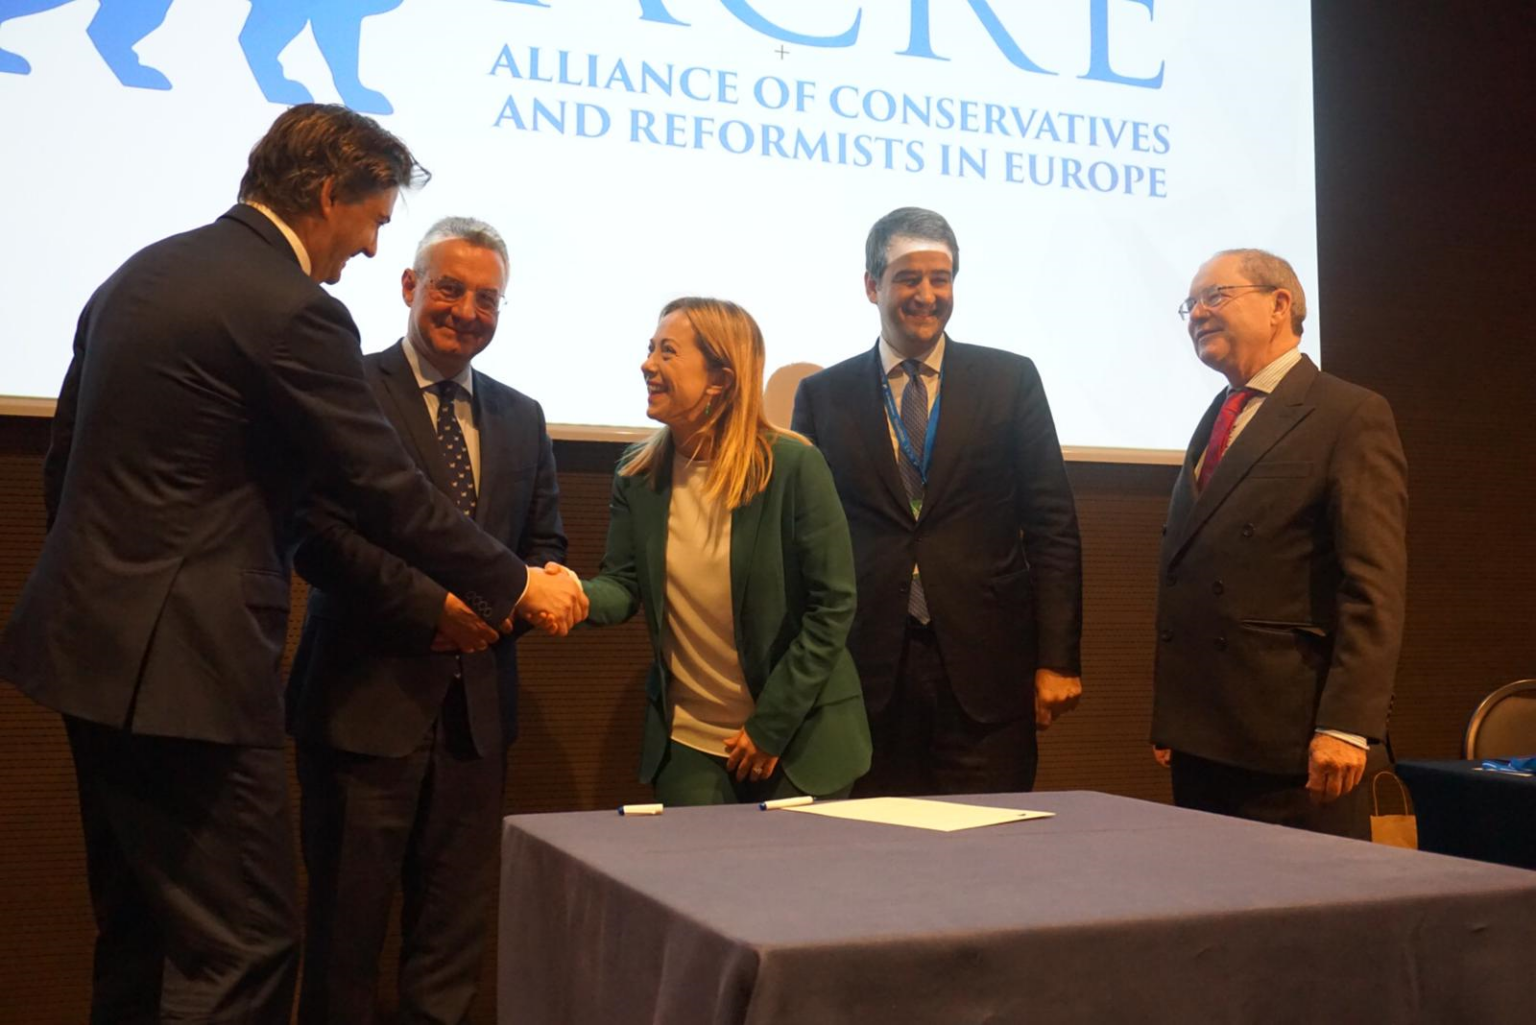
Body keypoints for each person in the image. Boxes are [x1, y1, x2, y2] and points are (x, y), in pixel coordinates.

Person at [0, 105, 585, 1023]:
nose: (367, 246)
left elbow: (64, 461)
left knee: (140, 931)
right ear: (327, 194)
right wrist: (516, 581)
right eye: (373, 221)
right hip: (188, 671)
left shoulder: (140, 272)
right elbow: (380, 486)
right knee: (246, 946)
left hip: (84, 653)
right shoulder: (294, 308)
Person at [285, 217, 567, 1024]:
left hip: (477, 724)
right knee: (343, 945)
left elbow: (544, 551)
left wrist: (487, 616)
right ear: (410, 286)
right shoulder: (347, 388)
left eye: (488, 298)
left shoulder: (522, 415)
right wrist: (430, 611)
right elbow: (314, 532)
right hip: (362, 713)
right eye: (449, 288)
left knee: (451, 947)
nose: (467, 311)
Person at [791, 207, 1083, 797]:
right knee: (876, 841)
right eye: (908, 279)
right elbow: (803, 542)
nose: (927, 295)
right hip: (866, 670)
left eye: (940, 279)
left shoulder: (1010, 380)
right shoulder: (823, 396)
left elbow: (1052, 525)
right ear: (872, 285)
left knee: (990, 842)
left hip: (987, 670)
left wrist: (1058, 658)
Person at [1151, 248, 1408, 838]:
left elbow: (1373, 584)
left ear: (1279, 305)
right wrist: (1174, 716)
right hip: (1204, 739)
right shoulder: (1219, 414)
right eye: (1190, 305)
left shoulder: (1349, 414)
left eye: (1215, 296)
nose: (1197, 314)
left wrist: (1347, 725)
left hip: (1294, 748)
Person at [582, 297, 870, 804]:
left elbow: (833, 606)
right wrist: (566, 594)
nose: (647, 364)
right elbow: (622, 585)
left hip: (800, 737)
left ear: (721, 378)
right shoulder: (637, 471)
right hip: (691, 739)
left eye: (668, 352)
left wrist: (769, 727)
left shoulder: (793, 467)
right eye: (650, 349)